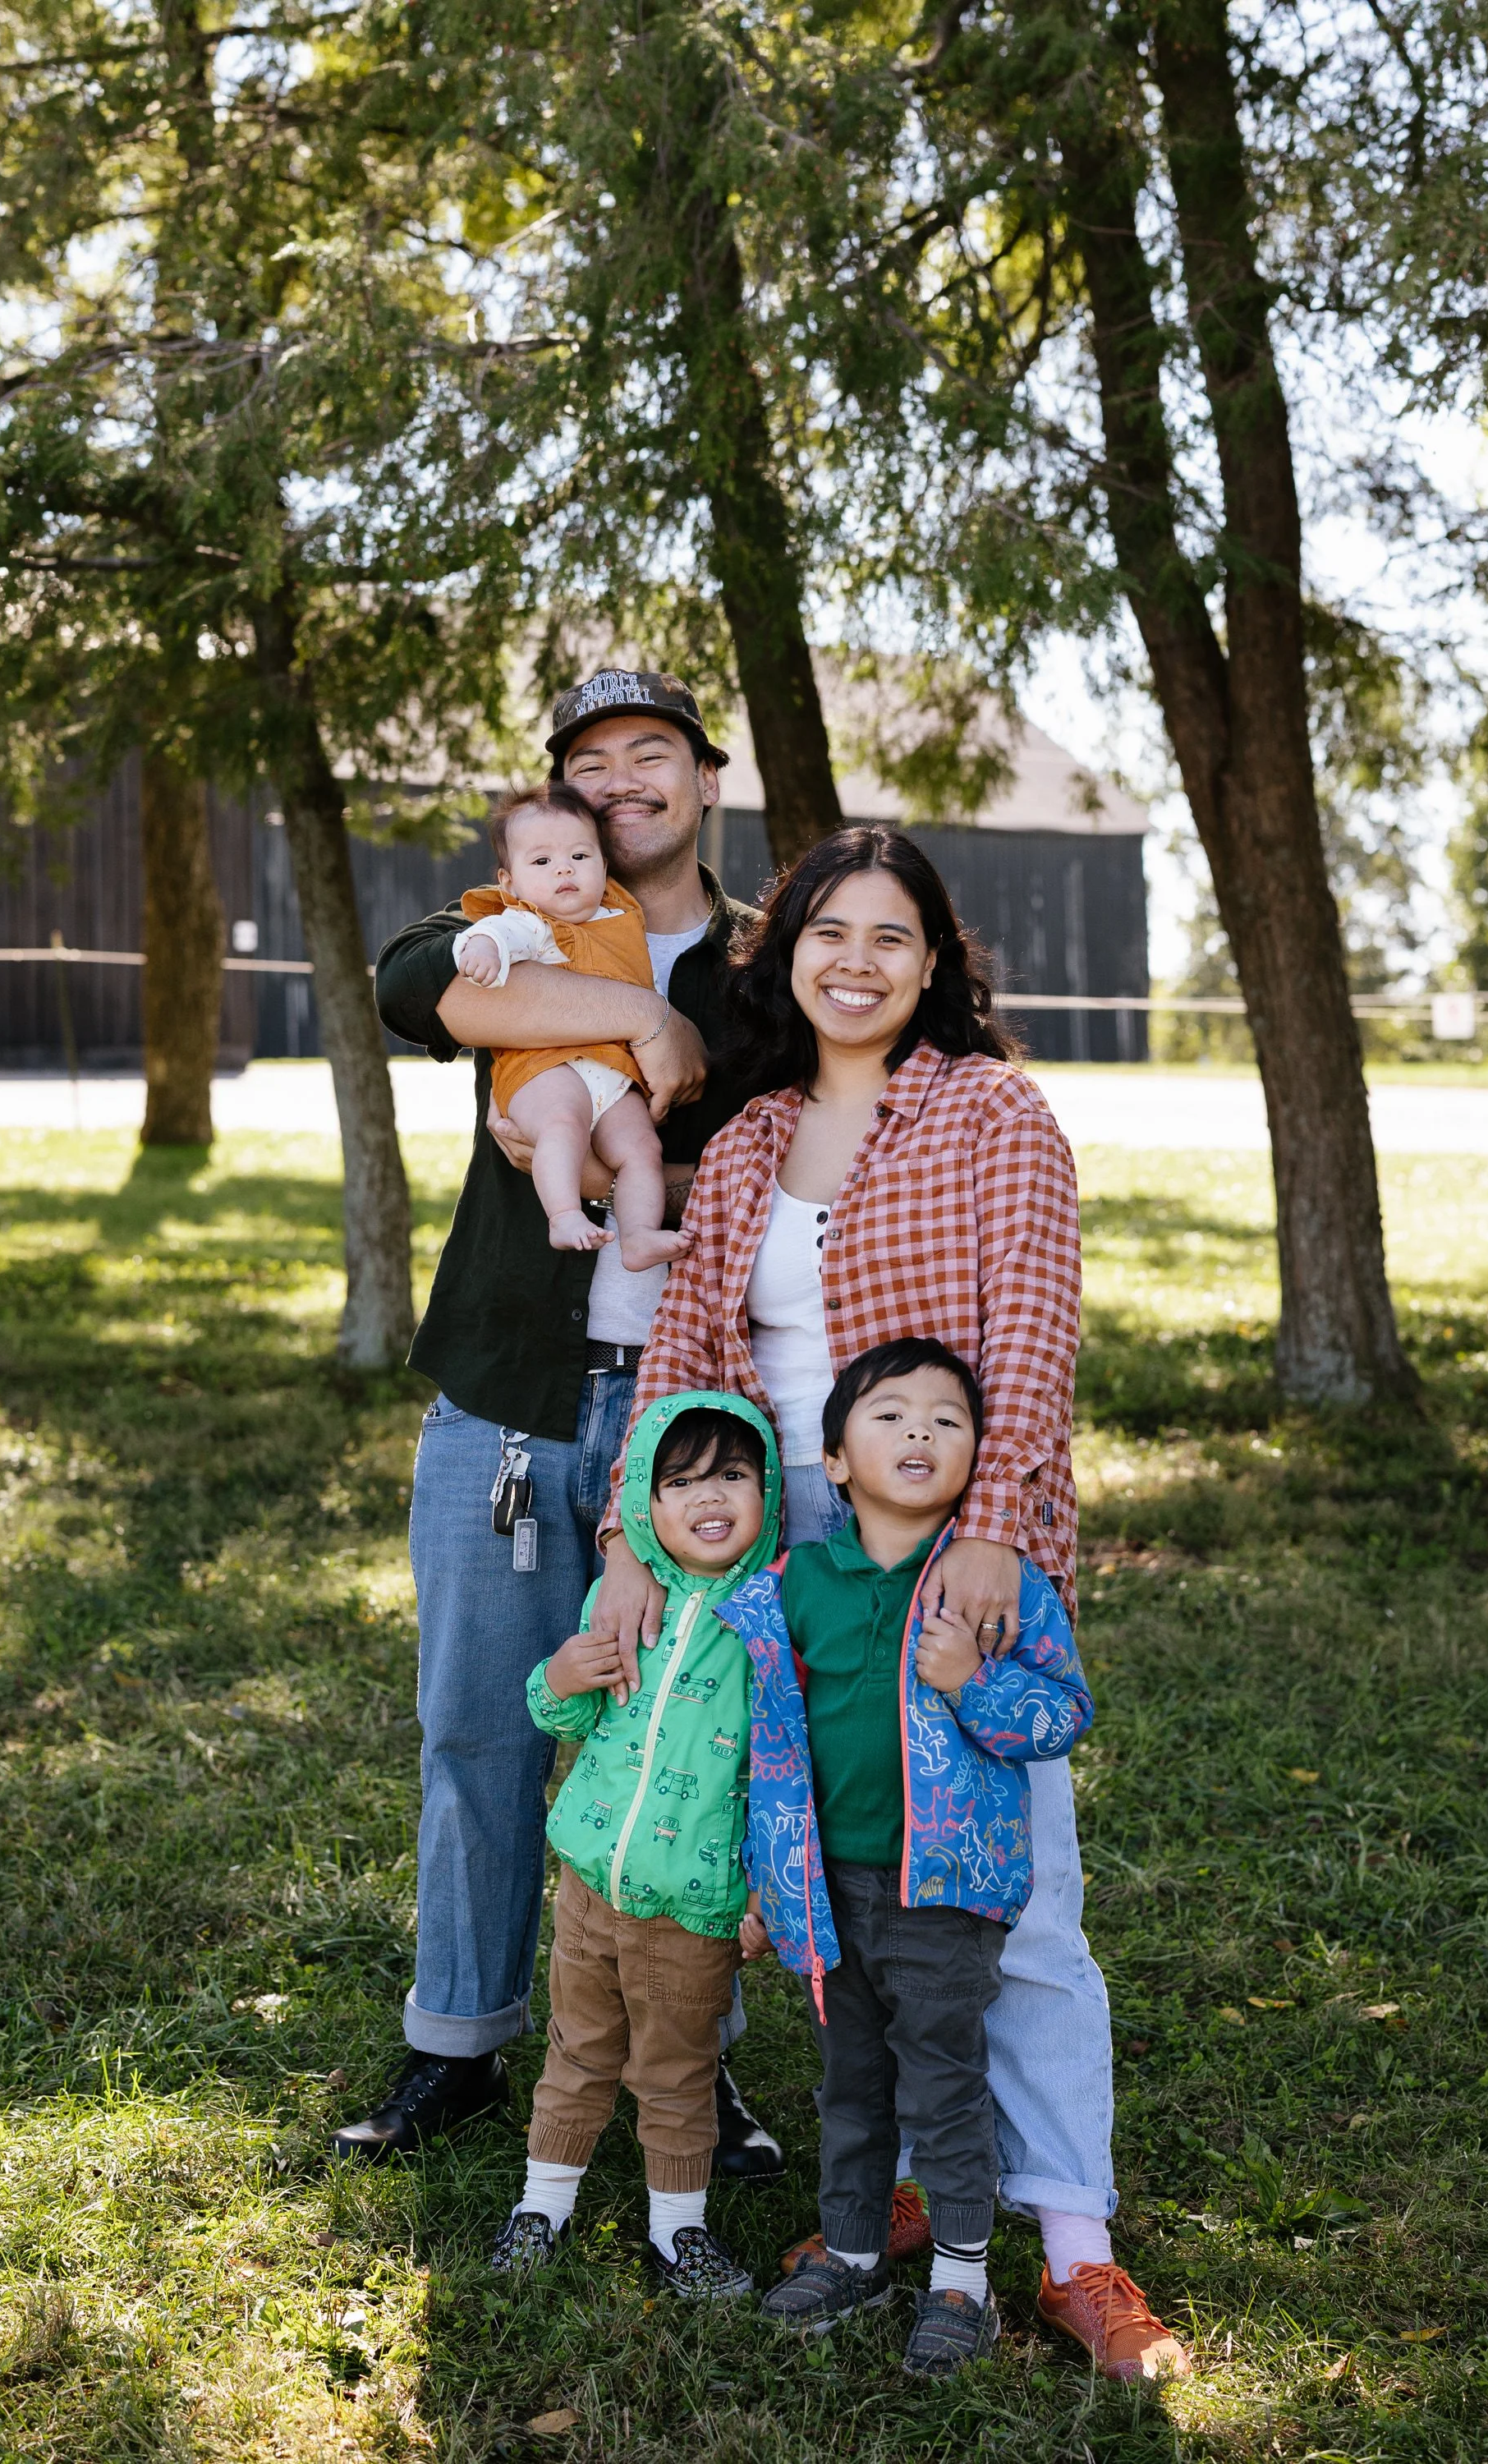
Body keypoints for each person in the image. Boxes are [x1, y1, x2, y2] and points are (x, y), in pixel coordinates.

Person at [590, 824, 1192, 2384]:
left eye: (890, 937)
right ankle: (917, 2186)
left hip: (943, 1547)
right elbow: (685, 1371)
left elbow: (1036, 1331)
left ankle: (1074, 2247)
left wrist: (993, 1532)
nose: (854, 961)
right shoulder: (745, 1142)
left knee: (1016, 1900)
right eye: (824, 933)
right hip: (777, 1568)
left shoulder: (993, 1114)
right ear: (785, 953)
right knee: (839, 1896)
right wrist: (634, 1549)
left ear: (936, 964)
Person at [334, 669, 779, 2181]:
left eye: (652, 753)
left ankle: (685, 2060)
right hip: (510, 1393)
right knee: (475, 1725)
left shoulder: (772, 957)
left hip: (695, 1417)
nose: (623, 781)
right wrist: (633, 1009)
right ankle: (455, 2039)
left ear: (704, 779)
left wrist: (684, 999)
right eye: (592, 763)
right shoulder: (514, 906)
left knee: (681, 1738)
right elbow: (425, 989)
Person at [724, 1338, 1094, 2376]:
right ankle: (850, 2252)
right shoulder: (794, 1583)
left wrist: (973, 1678)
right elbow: (766, 1745)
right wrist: (768, 1881)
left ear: (975, 1453)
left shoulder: (995, 1586)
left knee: (941, 2085)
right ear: (833, 1460)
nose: (920, 1432)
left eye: (946, 1418)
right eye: (888, 1416)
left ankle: (962, 2280)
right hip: (828, 1893)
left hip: (943, 1892)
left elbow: (1063, 1715)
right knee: (849, 2084)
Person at [493, 1394, 781, 2299]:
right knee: (576, 2051)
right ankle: (542, 2204)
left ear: (767, 1492)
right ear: (646, 1510)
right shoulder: (622, 1598)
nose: (709, 1495)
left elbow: (783, 1778)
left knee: (675, 2073)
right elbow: (566, 1711)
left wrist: (765, 1894)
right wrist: (557, 1676)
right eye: (682, 1479)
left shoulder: (771, 1625)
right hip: (587, 1883)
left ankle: (676, 2234)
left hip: (693, 1906)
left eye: (732, 1475)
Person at [450, 780, 688, 1270]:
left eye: (580, 856)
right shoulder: (528, 922)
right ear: (510, 882)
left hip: (614, 1078)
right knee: (563, 1124)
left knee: (642, 1148)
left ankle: (640, 1235)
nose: (563, 869)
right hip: (545, 1070)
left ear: (604, 866)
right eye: (541, 862)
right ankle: (562, 1215)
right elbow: (491, 932)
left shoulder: (622, 919)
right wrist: (482, 950)